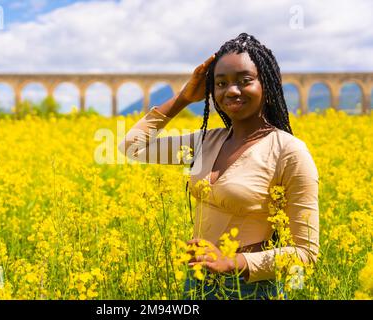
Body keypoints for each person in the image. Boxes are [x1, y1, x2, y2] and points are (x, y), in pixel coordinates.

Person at [118, 33, 319, 300]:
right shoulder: (206, 141)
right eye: (220, 83)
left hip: (250, 289)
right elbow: (131, 147)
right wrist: (183, 98)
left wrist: (230, 261)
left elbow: (306, 254)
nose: (231, 91)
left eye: (244, 81)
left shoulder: (288, 152)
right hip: (198, 281)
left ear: (268, 84)